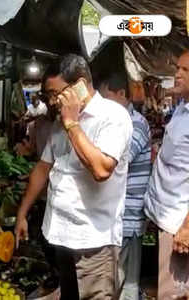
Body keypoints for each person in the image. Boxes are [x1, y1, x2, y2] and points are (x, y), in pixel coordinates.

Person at [14, 54, 133, 300]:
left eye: (56, 93)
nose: (53, 101)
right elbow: (43, 168)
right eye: (49, 95)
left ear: (80, 84)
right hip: (60, 236)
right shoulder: (59, 124)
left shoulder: (113, 117)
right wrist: (22, 213)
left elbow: (101, 170)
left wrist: (72, 124)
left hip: (93, 243)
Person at [99, 73, 152, 300]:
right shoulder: (116, 122)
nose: (102, 105)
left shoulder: (136, 124)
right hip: (117, 217)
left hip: (128, 217)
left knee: (125, 284)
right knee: (117, 281)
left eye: (106, 98)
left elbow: (114, 163)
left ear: (122, 95)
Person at [144, 50, 189, 300]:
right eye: (178, 68)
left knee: (175, 295)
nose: (177, 74)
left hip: (180, 225)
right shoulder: (183, 110)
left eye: (185, 70)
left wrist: (187, 228)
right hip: (167, 219)